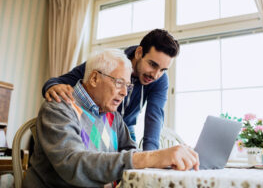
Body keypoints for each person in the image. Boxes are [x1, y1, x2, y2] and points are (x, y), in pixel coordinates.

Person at [23, 49, 199, 188]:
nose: (124, 92)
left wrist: (164, 161)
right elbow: (73, 165)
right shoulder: (59, 107)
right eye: (119, 83)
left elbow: (133, 151)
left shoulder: (112, 116)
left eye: (127, 86)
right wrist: (151, 158)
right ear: (93, 78)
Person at [42, 29, 179, 151]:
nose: (155, 75)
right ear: (139, 53)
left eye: (163, 70)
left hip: (124, 127)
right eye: (152, 64)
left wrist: (150, 156)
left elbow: (154, 116)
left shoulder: (160, 79)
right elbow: (60, 81)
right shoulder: (110, 63)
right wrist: (52, 86)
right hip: (97, 120)